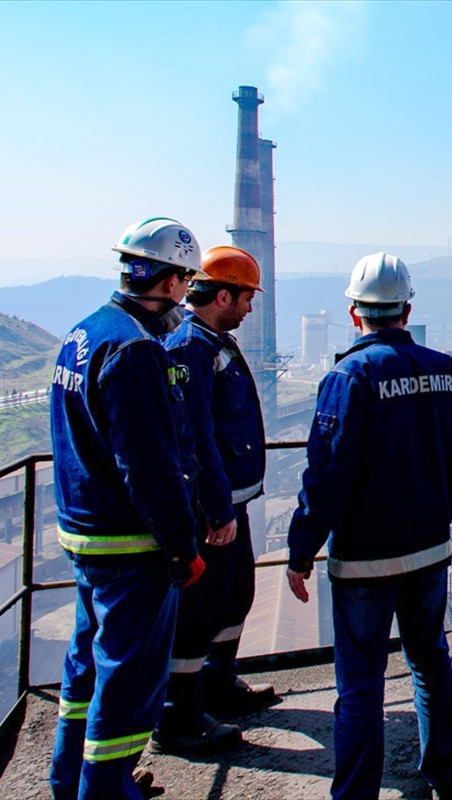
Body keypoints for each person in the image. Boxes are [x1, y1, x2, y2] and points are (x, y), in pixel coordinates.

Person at [286, 252, 452, 799]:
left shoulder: (349, 376)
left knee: (362, 684)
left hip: (365, 558)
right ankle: (443, 770)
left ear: (354, 314)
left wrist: (302, 551)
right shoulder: (444, 369)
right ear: (407, 309)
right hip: (428, 549)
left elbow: (325, 474)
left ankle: (354, 794)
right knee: (430, 660)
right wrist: (441, 511)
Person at [49, 217, 207, 800]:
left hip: (84, 532)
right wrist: (182, 548)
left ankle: (71, 781)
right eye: (187, 283)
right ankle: (107, 788)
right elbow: (149, 467)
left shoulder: (83, 333)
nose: (186, 295)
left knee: (88, 666)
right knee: (129, 678)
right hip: (128, 544)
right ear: (170, 282)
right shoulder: (136, 350)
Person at [154, 246, 275, 754]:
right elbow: (194, 434)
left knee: (234, 595)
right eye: (246, 298)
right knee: (198, 609)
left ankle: (219, 684)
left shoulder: (212, 339)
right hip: (212, 509)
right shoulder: (190, 348)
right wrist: (215, 509)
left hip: (233, 501)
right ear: (222, 294)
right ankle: (178, 717)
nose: (250, 309)